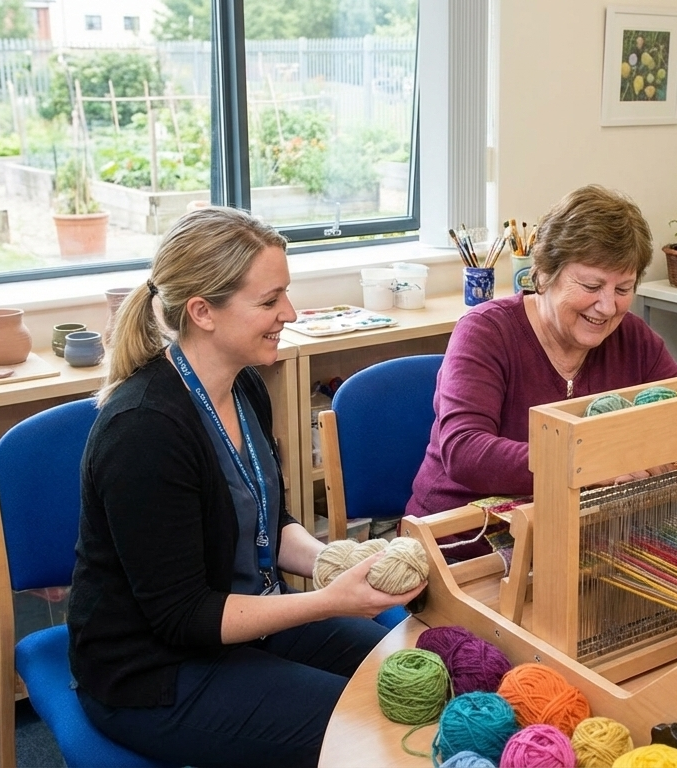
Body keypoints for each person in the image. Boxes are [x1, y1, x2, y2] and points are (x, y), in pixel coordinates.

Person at [69, 207, 424, 768]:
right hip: (154, 670)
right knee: (377, 730)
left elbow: (267, 521)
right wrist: (328, 602)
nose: (288, 312)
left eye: (285, 293)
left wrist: (334, 559)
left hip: (242, 623)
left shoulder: (245, 386)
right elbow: (183, 616)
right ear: (202, 312)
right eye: (268, 301)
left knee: (423, 676)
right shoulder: (142, 431)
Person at [405, 185, 677, 557]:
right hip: (461, 547)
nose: (607, 307)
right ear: (546, 272)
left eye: (624, 288)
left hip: (574, 543)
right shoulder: (486, 332)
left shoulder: (632, 339)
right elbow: (465, 450)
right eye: (591, 286)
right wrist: (584, 466)